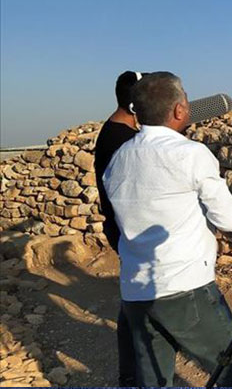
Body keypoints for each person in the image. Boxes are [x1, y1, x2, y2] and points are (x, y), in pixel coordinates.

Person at [103, 72, 232, 386]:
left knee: (155, 380)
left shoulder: (118, 160)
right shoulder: (190, 154)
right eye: (185, 97)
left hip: (135, 293)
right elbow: (229, 220)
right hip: (185, 288)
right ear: (179, 111)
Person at [93, 70, 143, 386]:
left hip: (122, 229)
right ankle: (132, 376)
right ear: (136, 105)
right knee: (136, 304)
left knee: (134, 300)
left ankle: (131, 374)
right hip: (129, 232)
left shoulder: (115, 132)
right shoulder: (122, 141)